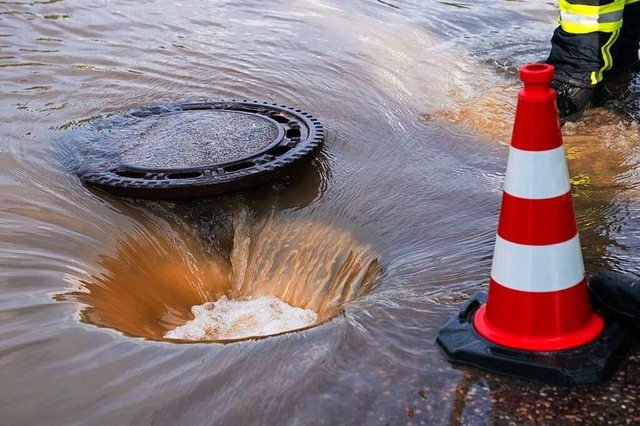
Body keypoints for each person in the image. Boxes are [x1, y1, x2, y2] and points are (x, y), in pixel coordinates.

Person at [546, 0, 640, 122]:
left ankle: (577, 75)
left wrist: (575, 66)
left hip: (581, 66)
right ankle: (618, 68)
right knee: (621, 59)